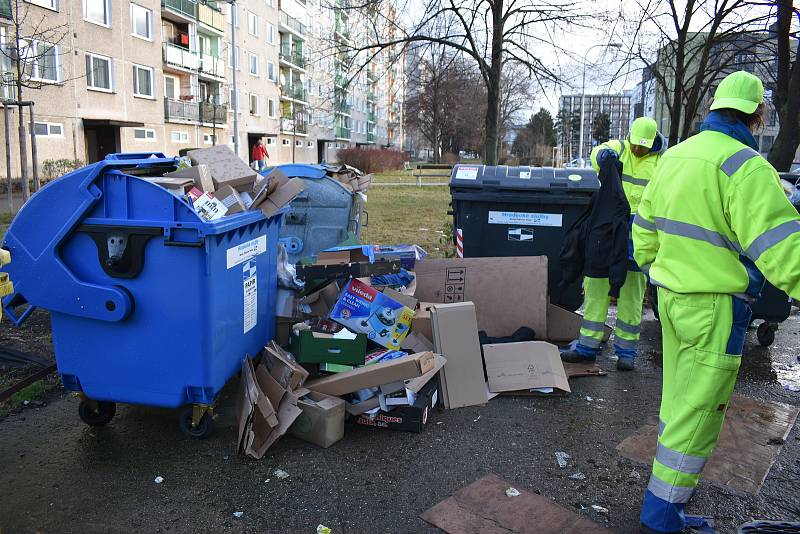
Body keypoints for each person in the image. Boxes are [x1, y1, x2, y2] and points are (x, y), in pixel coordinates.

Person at [632, 70, 800, 534]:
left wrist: (656, 273)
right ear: (757, 114)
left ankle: (664, 504)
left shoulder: (673, 158)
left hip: (670, 299)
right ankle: (662, 516)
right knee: (699, 414)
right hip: (716, 310)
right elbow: (785, 251)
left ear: (714, 107)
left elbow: (642, 233)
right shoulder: (745, 167)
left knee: (678, 404)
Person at [561, 116, 667, 370]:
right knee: (596, 288)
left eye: (642, 146)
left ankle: (626, 352)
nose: (637, 150)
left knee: (631, 295)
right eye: (635, 144)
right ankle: (588, 345)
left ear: (652, 143)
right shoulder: (619, 148)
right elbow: (598, 151)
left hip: (637, 240)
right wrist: (604, 157)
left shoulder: (662, 163)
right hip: (609, 235)